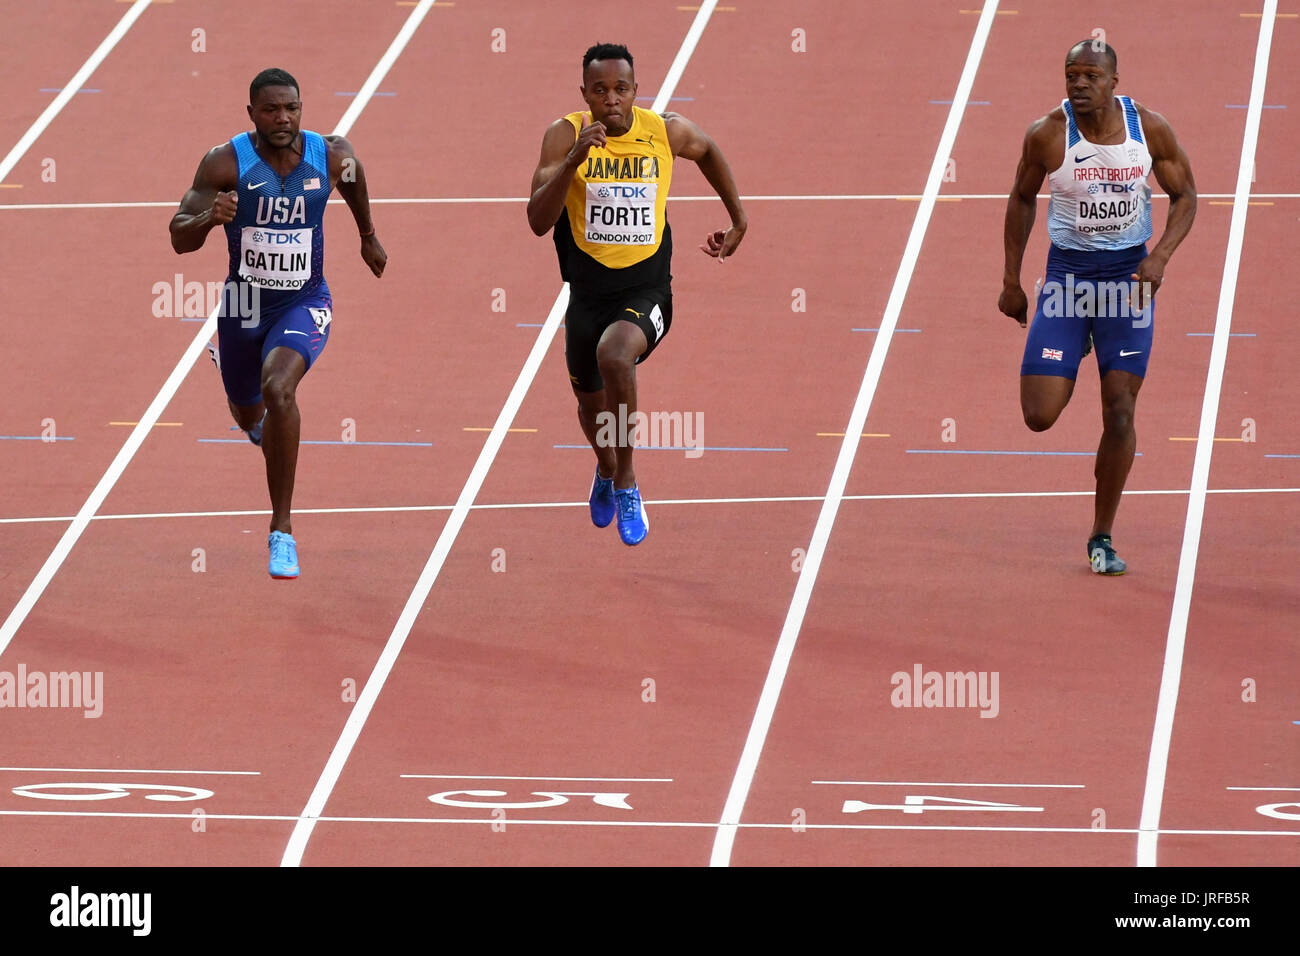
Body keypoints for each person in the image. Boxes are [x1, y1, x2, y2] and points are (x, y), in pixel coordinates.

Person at [527, 42, 746, 546]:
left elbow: (708, 149)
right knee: (589, 405)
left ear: (635, 91)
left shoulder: (664, 132)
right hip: (586, 293)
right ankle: (605, 468)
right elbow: (538, 221)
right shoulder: (564, 135)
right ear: (584, 93)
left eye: (620, 89)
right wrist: (575, 160)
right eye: (599, 91)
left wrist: (739, 220)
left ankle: (626, 481)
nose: (611, 101)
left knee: (615, 354)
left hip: (647, 289)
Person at [170, 68, 386, 578]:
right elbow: (179, 237)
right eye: (271, 110)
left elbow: (353, 180)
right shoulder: (225, 162)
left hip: (305, 300)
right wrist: (209, 218)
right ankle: (253, 422)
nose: (283, 118)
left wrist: (367, 235)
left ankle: (281, 530)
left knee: (279, 389)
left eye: (291, 108)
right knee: (250, 416)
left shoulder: (328, 154)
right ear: (252, 114)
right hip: (243, 306)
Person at [999, 41, 1196, 575]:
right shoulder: (1046, 134)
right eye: (1070, 75)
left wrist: (1160, 257)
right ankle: (1077, 338)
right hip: (1067, 279)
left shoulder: (1148, 130)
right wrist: (1011, 280)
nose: (1078, 84)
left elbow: (1187, 195)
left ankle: (1102, 535)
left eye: (1090, 75)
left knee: (1120, 409)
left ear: (1114, 81)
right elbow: (1021, 198)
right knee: (1038, 416)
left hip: (1127, 283)